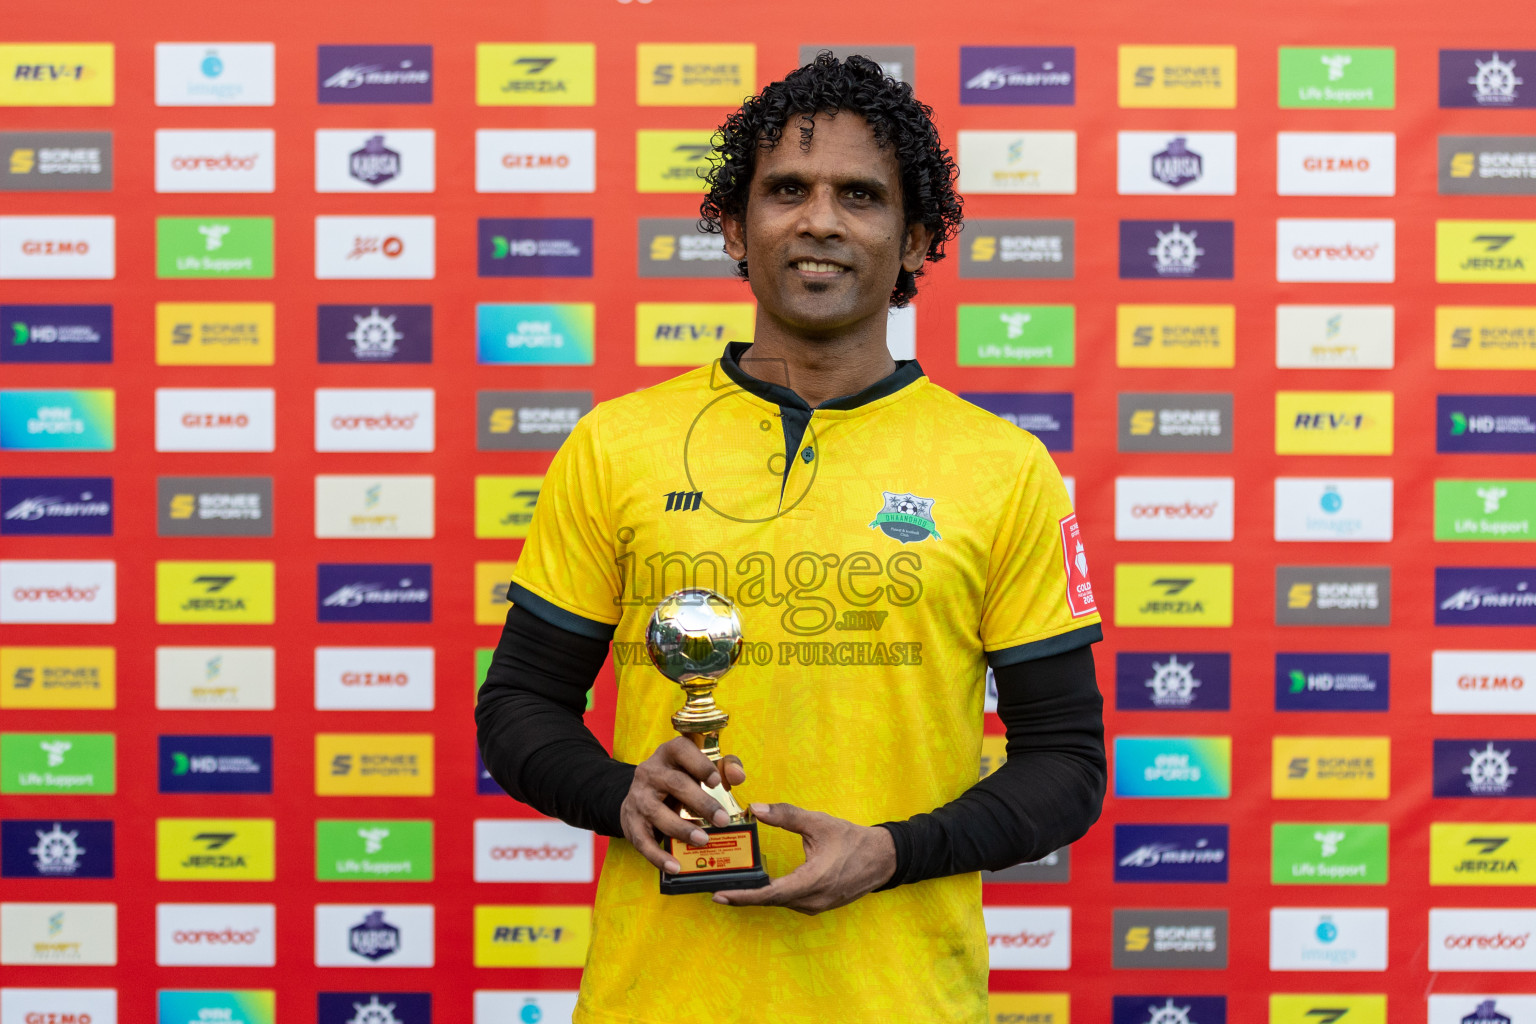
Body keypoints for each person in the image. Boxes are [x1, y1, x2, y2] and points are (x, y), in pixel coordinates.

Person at [476, 52, 1105, 1024]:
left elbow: (1066, 762)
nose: (820, 220)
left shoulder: (1003, 465)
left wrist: (896, 851)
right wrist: (621, 795)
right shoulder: (617, 443)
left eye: (860, 194)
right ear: (733, 224)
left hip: (904, 999)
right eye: (786, 191)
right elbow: (520, 705)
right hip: (660, 998)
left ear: (917, 238)